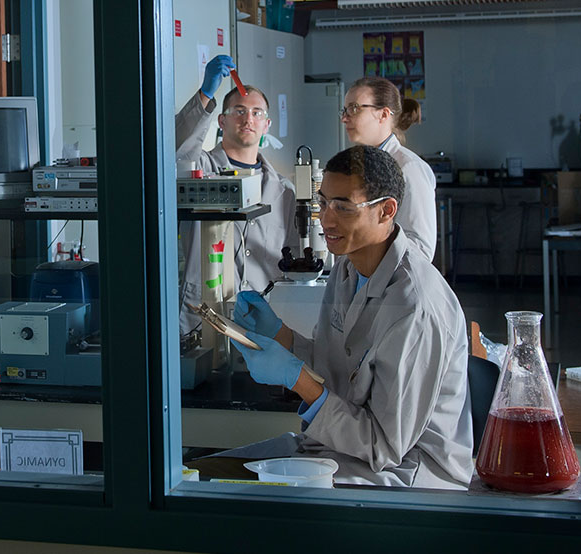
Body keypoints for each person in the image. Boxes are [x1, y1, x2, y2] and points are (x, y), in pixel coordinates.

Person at [227, 145, 472, 488]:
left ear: (386, 211)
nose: (326, 220)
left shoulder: (415, 307)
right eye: (323, 202)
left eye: (343, 207)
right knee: (222, 473)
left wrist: (296, 379)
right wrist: (280, 335)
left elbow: (382, 446)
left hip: (406, 473)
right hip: (343, 450)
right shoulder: (348, 265)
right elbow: (339, 365)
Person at [175, 54, 296, 334]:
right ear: (221, 121)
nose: (248, 119)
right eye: (238, 111)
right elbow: (175, 154)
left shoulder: (284, 192)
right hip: (202, 313)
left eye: (257, 113)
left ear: (267, 125)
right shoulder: (200, 169)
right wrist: (206, 94)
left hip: (263, 313)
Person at [340, 77, 437, 262]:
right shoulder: (359, 165)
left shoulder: (408, 168)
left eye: (354, 108)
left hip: (395, 285)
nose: (345, 118)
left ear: (383, 115)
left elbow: (422, 250)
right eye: (344, 110)